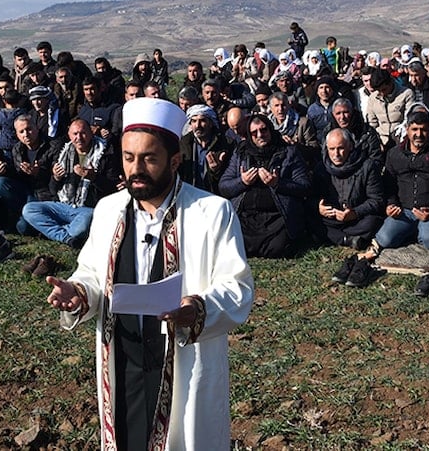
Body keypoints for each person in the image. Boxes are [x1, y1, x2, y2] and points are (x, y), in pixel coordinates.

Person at [45, 97, 254, 451]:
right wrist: (78, 292)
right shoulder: (108, 210)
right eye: (129, 158)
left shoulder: (211, 212)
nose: (136, 169)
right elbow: (93, 273)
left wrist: (197, 308)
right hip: (122, 357)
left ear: (174, 160)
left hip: (184, 360)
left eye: (149, 158)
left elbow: (237, 288)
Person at [218, 114, 311, 258]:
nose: (260, 135)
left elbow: (304, 186)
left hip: (277, 217)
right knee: (237, 244)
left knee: (277, 248)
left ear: (270, 129)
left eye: (263, 130)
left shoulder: (288, 152)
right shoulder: (241, 153)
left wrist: (277, 184)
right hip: (246, 216)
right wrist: (242, 182)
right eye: (254, 133)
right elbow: (224, 186)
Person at [21, 118, 119, 246]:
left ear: (91, 133)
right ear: (69, 135)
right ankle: (67, 237)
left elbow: (113, 189)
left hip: (87, 208)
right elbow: (52, 190)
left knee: (84, 224)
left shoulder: (105, 152)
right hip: (63, 205)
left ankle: (58, 232)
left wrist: (94, 177)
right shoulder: (63, 152)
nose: (79, 138)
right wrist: (56, 177)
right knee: (29, 209)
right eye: (75, 134)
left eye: (83, 133)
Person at [375, 111, 429, 252]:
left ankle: (422, 230)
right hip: (404, 210)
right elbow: (388, 185)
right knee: (384, 239)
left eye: (424, 130)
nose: (419, 134)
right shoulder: (394, 153)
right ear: (407, 129)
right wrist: (391, 204)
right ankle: (411, 230)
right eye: (414, 129)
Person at [312, 127, 384, 250]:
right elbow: (312, 197)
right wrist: (319, 208)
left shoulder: (367, 166)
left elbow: (377, 200)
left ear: (350, 146)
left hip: (357, 218)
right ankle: (347, 239)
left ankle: (336, 237)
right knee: (312, 220)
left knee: (372, 222)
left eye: (340, 148)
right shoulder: (321, 168)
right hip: (331, 218)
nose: (336, 154)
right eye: (332, 149)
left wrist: (355, 213)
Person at [178, 105, 232, 195]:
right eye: (194, 121)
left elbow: (229, 180)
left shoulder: (226, 144)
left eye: (202, 120)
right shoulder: (183, 144)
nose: (197, 125)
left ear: (211, 123)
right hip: (189, 195)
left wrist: (216, 170)